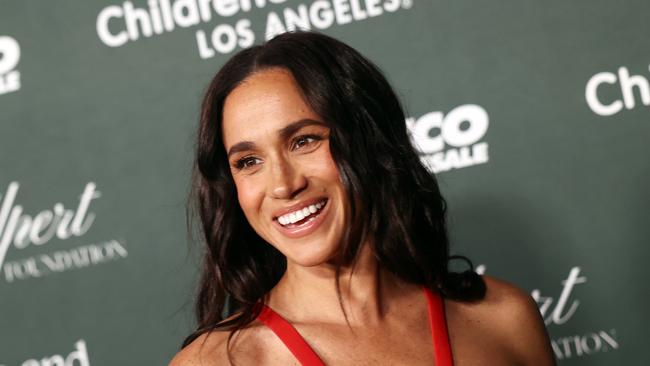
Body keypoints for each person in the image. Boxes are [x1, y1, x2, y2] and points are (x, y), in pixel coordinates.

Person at [170, 31, 555, 365]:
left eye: (304, 141)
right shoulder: (217, 362)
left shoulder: (504, 319)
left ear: (369, 141)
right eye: (248, 161)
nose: (283, 185)